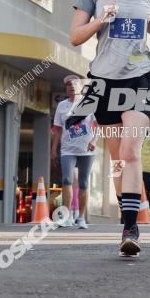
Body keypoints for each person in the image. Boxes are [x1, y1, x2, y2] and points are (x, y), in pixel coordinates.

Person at [69, 0, 150, 257]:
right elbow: (75, 37)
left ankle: (131, 227)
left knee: (130, 149)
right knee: (117, 161)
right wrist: (100, 20)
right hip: (104, 82)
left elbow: (149, 27)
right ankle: (127, 220)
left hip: (143, 77)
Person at [52, 74, 96, 229]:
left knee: (83, 183)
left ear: (80, 86)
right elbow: (57, 130)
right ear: (66, 89)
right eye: (69, 85)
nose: (72, 87)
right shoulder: (62, 106)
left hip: (86, 150)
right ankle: (67, 216)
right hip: (67, 150)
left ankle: (81, 218)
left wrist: (94, 141)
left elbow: (100, 126)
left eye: (75, 84)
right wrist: (53, 150)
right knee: (66, 181)